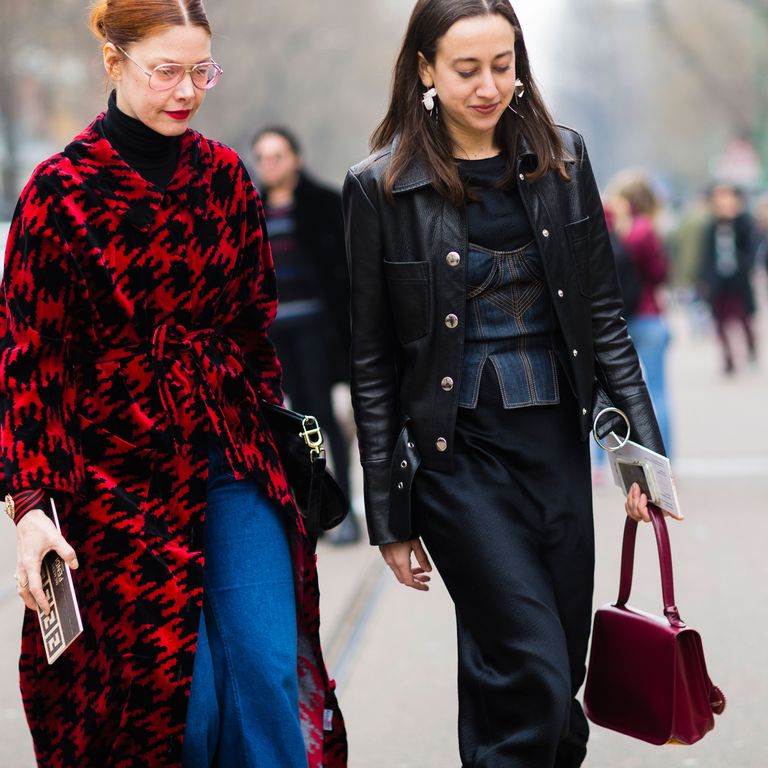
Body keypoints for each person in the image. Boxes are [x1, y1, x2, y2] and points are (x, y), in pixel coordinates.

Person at [0, 2, 346, 766]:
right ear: (114, 61)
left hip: (231, 456)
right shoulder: (56, 195)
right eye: (167, 70)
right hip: (111, 475)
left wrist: (272, 429)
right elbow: (30, 363)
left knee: (264, 667)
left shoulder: (226, 179)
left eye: (201, 70)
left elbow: (256, 329)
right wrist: (31, 505)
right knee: (176, 704)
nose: (187, 89)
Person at [342, 1, 670, 766]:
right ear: (425, 68)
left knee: (554, 668)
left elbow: (603, 319)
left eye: (503, 65)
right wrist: (389, 514)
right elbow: (373, 362)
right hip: (458, 464)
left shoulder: (565, 160)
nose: (489, 85)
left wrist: (642, 462)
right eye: (467, 69)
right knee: (531, 667)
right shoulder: (380, 188)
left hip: (554, 449)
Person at [251, 127, 360, 543]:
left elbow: (348, 276)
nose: (270, 164)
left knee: (322, 420)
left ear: (296, 158)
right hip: (270, 337)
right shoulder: (249, 209)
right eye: (263, 157)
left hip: (317, 330)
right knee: (280, 424)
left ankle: (343, 509)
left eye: (277, 155)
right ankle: (302, 514)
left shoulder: (326, 205)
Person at [608, 171, 672, 454]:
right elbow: (658, 274)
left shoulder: (610, 227)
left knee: (611, 390)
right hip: (647, 313)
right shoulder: (644, 230)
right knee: (657, 390)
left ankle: (602, 460)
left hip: (614, 318)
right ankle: (664, 456)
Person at [700, 182, 759, 374]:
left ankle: (751, 353)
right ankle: (728, 360)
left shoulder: (743, 222)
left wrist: (745, 265)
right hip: (719, 282)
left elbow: (752, 248)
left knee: (745, 320)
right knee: (720, 322)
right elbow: (707, 255)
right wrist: (705, 280)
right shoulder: (711, 225)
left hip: (739, 280)